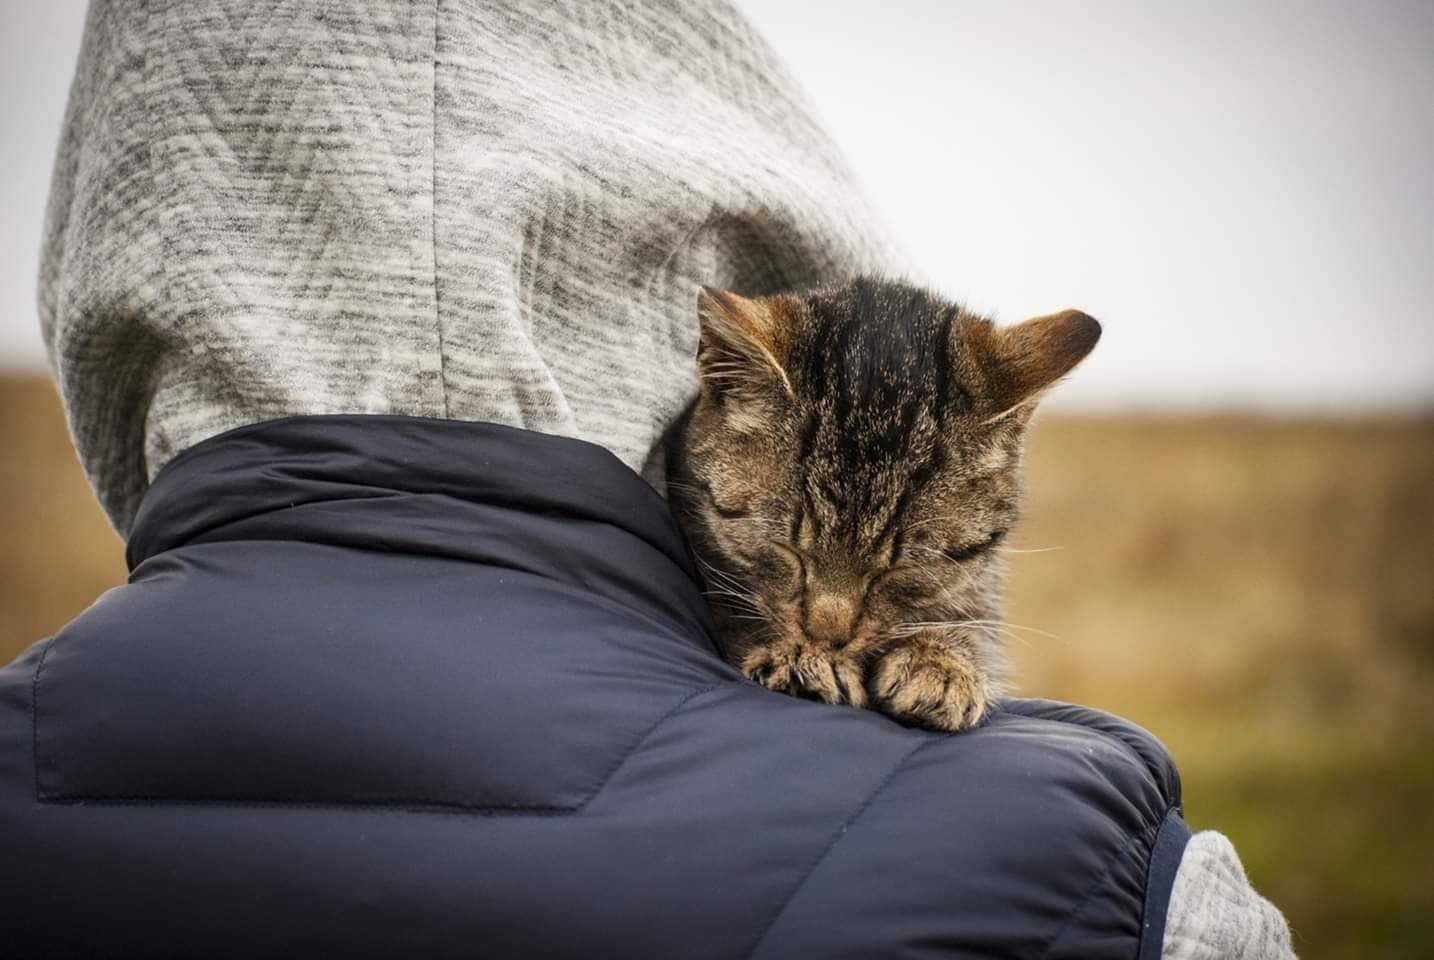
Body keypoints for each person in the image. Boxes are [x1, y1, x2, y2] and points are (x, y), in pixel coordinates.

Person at [1, 2, 1293, 956]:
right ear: (706, 363)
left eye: (898, 570)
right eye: (792, 559)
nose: (834, 618)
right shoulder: (1105, 881)